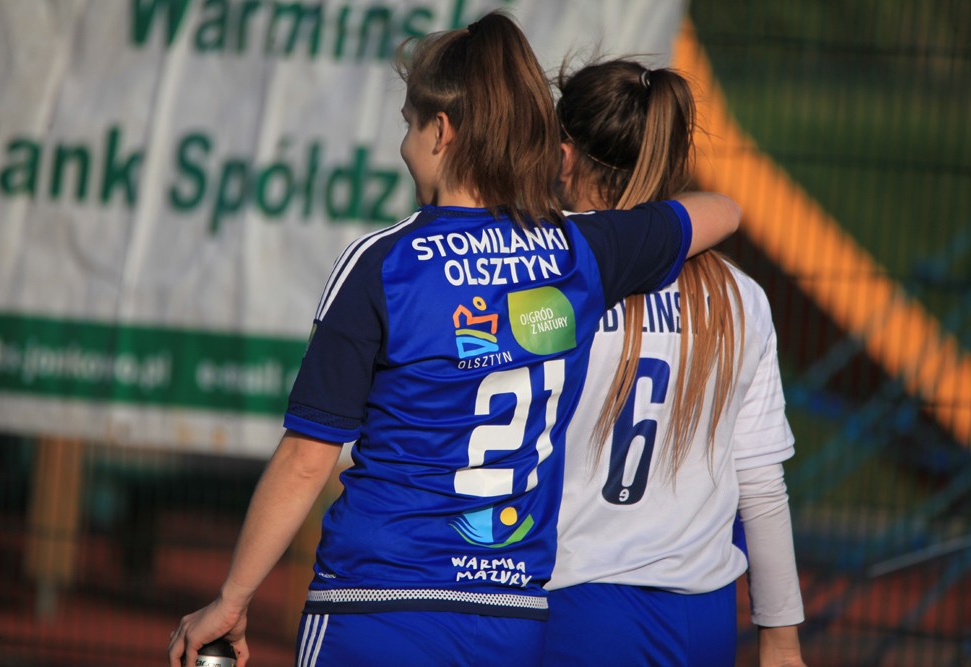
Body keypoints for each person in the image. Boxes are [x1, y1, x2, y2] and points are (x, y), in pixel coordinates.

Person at [167, 15, 740, 667]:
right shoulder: (579, 250)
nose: (405, 147)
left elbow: (306, 457)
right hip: (508, 617)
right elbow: (723, 211)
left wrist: (233, 598)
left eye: (409, 125)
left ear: (441, 132)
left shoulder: (385, 263)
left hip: (377, 603)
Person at [541, 59, 806, 667]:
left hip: (575, 608)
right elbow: (761, 483)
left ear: (564, 156)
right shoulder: (741, 297)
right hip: (703, 621)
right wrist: (782, 639)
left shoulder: (551, 277)